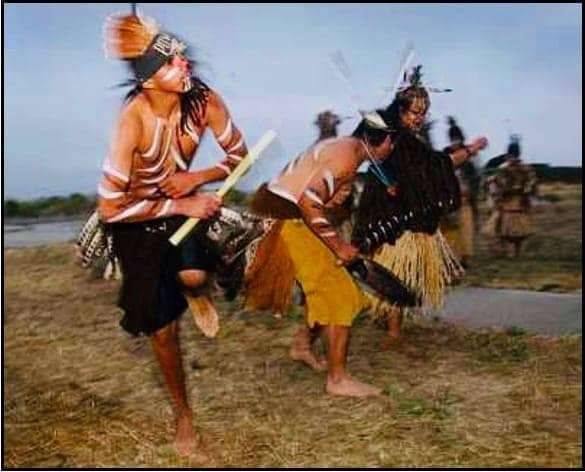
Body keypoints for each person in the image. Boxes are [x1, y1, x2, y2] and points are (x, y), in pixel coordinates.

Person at [97, 10, 248, 455]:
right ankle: (183, 413)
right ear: (148, 78)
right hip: (135, 220)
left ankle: (195, 287)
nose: (184, 65)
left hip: (179, 206)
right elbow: (110, 208)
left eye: (183, 57)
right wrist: (181, 202)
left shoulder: (204, 102)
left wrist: (196, 176)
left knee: (194, 277)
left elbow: (239, 156)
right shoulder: (134, 119)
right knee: (162, 330)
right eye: (172, 62)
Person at [245, 111, 396, 397]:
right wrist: (339, 245)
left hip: (294, 222)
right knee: (338, 294)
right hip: (291, 223)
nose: (392, 150)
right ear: (383, 140)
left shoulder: (345, 149)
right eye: (392, 143)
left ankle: (302, 346)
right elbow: (309, 202)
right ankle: (337, 379)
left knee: (343, 294)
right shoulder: (347, 156)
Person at [351, 66, 488, 347]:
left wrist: (470, 150)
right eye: (415, 112)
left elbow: (438, 164)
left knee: (399, 271)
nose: (420, 118)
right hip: (387, 213)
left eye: (424, 113)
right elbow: (360, 145)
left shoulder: (413, 143)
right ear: (401, 112)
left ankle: (390, 325)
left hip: (405, 214)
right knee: (392, 270)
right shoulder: (392, 137)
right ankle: (391, 330)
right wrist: (470, 150)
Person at [483, 136, 537, 258]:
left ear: (517, 155)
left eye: (514, 155)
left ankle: (515, 252)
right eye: (510, 155)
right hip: (505, 202)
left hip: (519, 203)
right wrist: (496, 190)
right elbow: (495, 183)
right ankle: (504, 250)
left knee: (518, 233)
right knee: (501, 229)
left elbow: (531, 183)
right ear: (508, 155)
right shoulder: (503, 169)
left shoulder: (526, 169)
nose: (512, 158)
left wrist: (523, 190)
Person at [440, 116, 481, 268]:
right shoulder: (445, 156)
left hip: (465, 201)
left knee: (466, 231)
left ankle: (464, 259)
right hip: (450, 201)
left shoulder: (469, 160)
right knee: (450, 232)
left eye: (457, 139)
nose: (455, 142)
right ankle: (450, 259)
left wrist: (469, 191)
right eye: (453, 139)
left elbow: (475, 179)